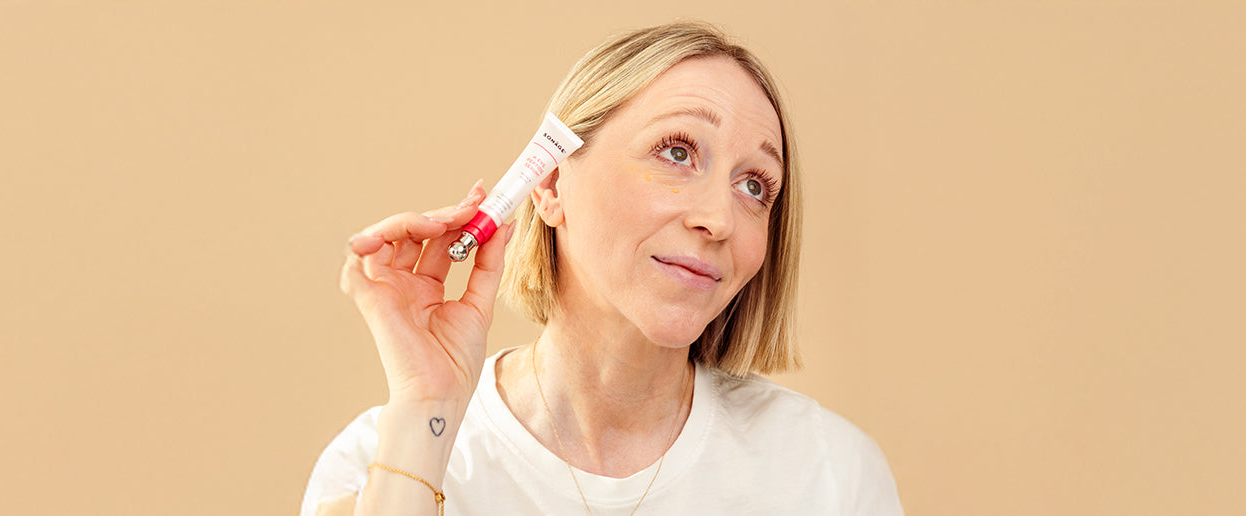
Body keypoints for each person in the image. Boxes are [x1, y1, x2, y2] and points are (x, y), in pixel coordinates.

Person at [306, 21, 901, 516]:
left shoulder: (830, 474)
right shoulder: (376, 464)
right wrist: (426, 411)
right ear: (553, 182)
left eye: (755, 185)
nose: (720, 218)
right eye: (677, 151)